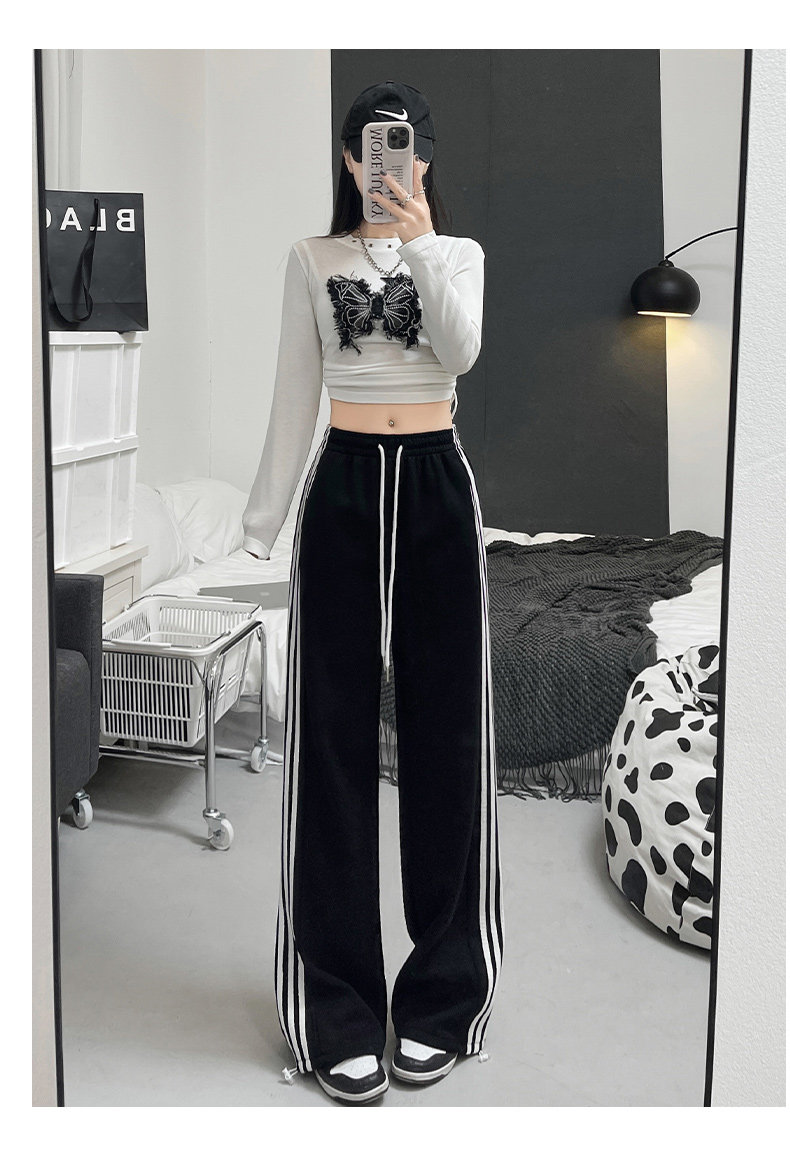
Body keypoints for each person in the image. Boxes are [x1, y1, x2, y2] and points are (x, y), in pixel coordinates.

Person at [242, 80, 504, 1105]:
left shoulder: (458, 254)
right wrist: (262, 521)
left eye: (402, 148)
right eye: (368, 149)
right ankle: (337, 1007)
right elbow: (292, 393)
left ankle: (442, 999)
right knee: (330, 745)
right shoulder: (312, 259)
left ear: (423, 159)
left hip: (437, 484)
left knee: (448, 738)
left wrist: (423, 240)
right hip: (344, 487)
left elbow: (461, 350)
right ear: (349, 160)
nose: (384, 164)